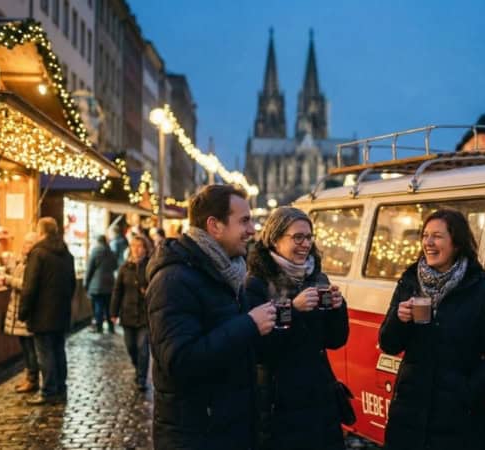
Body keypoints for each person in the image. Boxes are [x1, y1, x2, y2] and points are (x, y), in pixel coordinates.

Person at [146, 184, 276, 449]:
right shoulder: (174, 280)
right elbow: (181, 361)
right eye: (244, 221)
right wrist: (250, 325)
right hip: (197, 434)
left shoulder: (229, 272)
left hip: (228, 427)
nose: (252, 230)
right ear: (215, 226)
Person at [379, 208, 485, 450]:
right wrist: (399, 318)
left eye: (437, 236)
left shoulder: (483, 292)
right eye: (425, 235)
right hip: (409, 412)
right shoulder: (410, 282)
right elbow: (388, 344)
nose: (428, 243)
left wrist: (468, 393)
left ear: (457, 243)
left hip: (458, 421)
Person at [245, 207, 349, 450]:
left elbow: (335, 340)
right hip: (280, 401)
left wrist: (338, 307)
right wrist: (293, 310)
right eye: (298, 237)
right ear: (275, 239)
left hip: (320, 395)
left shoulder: (317, 278)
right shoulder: (256, 284)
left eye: (309, 237)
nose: (305, 244)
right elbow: (260, 350)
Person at [19, 217, 76, 405]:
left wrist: (23, 311)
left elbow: (30, 286)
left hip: (41, 313)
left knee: (45, 353)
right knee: (58, 350)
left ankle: (49, 391)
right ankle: (60, 387)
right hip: (61, 312)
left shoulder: (38, 254)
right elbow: (72, 284)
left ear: (41, 231)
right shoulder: (66, 254)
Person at [110, 234, 152, 391]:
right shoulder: (124, 268)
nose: (136, 249)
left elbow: (157, 289)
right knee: (131, 347)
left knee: (142, 347)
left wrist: (147, 291)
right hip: (127, 313)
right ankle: (137, 367)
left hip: (144, 315)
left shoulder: (150, 267)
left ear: (146, 249)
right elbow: (117, 291)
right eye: (134, 246)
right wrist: (113, 312)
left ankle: (141, 378)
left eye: (140, 246)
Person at [3, 232, 41, 394]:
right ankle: (29, 376)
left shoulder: (33, 262)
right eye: (25, 242)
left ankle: (32, 379)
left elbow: (27, 285)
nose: (25, 246)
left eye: (29, 243)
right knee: (25, 347)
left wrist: (9, 280)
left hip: (26, 310)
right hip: (19, 309)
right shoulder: (24, 261)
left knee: (29, 347)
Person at [85, 235, 118, 333]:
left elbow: (90, 268)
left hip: (97, 284)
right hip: (109, 283)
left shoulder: (95, 251)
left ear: (98, 241)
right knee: (108, 306)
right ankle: (111, 327)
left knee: (98, 306)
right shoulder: (111, 252)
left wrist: (86, 283)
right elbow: (115, 266)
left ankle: (99, 327)